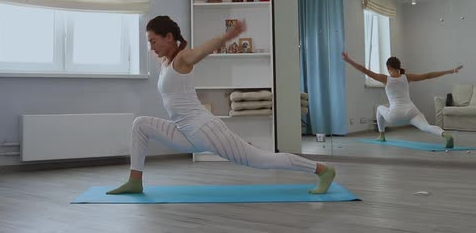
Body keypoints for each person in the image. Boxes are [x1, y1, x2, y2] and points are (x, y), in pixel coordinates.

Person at [107, 16, 336, 195]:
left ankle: (322, 170)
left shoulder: (183, 58)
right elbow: (164, 56)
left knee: (261, 160)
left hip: (205, 130)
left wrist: (229, 35)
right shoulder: (165, 60)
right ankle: (135, 181)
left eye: (153, 41)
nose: (151, 47)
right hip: (184, 132)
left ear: (168, 37)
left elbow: (204, 49)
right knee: (141, 124)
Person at [342, 52, 463, 148]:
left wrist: (349, 60)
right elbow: (428, 75)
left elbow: (365, 70)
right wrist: (451, 71)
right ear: (398, 66)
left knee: (379, 108)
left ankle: (382, 135)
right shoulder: (407, 77)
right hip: (411, 111)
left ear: (389, 67)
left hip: (395, 116)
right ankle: (445, 134)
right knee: (426, 127)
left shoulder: (385, 79)